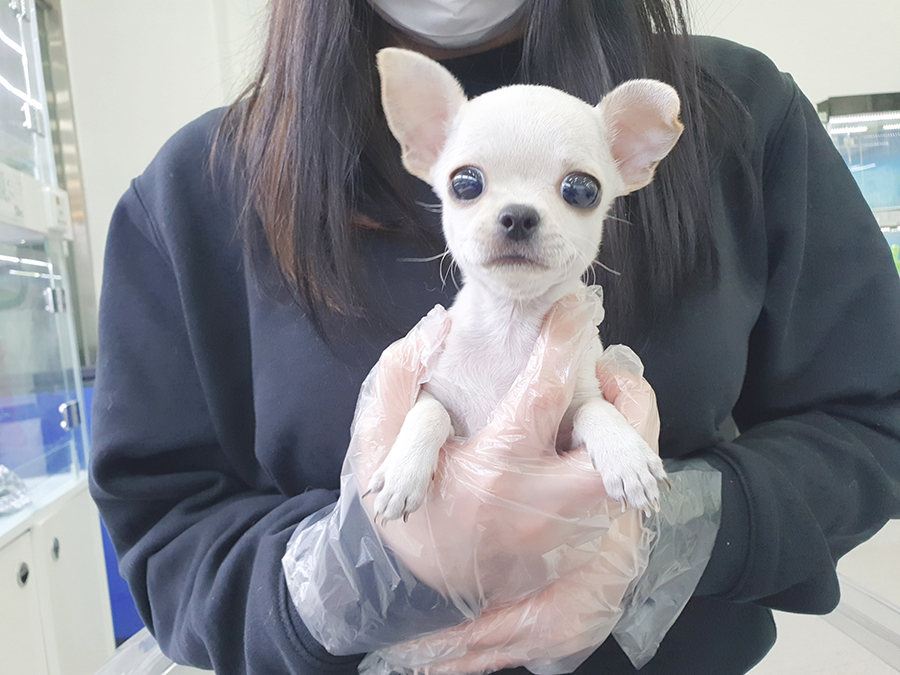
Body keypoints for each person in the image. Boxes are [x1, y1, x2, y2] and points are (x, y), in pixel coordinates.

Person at [89, 1, 900, 674]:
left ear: (633, 159)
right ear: (423, 144)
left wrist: (671, 530)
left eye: (576, 190)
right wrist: (344, 578)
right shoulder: (193, 189)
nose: (516, 215)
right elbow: (162, 527)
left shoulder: (743, 113)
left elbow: (873, 422)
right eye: (470, 185)